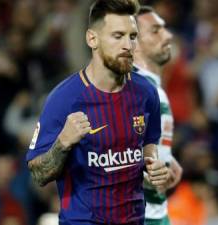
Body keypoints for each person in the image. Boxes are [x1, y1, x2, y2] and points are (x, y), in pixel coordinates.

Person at [26, 0, 169, 224]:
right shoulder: (63, 99)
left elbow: (149, 146)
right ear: (92, 39)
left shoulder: (146, 93)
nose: (128, 45)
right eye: (117, 35)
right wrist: (62, 143)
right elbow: (38, 174)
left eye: (132, 36)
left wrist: (154, 167)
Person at [134, 6, 183, 225]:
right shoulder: (137, 91)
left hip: (156, 212)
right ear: (133, 41)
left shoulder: (152, 89)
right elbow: (116, 153)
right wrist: (149, 175)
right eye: (155, 30)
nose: (168, 35)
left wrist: (167, 159)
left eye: (164, 28)